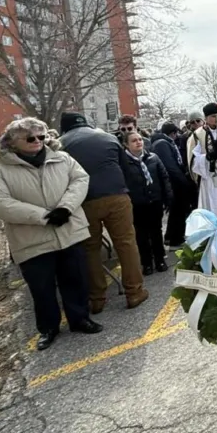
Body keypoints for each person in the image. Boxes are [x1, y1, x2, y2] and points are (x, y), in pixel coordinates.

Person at [0, 118, 103, 350]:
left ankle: (80, 319)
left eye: (41, 136)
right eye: (30, 138)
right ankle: (48, 328)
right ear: (12, 142)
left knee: (75, 279)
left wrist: (66, 207)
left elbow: (80, 180)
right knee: (41, 288)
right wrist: (42, 216)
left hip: (69, 230)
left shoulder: (61, 158)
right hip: (31, 239)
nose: (38, 141)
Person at [59, 112, 148, 312]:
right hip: (117, 195)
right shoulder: (107, 137)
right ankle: (135, 292)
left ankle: (97, 298)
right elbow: (126, 169)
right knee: (126, 243)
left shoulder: (60, 144)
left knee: (90, 248)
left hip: (84, 200)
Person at [121, 131, 173, 276]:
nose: (138, 142)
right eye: (134, 141)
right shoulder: (124, 162)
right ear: (126, 144)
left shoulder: (152, 157)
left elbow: (164, 177)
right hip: (137, 203)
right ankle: (147, 262)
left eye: (140, 139)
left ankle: (160, 259)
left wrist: (167, 197)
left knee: (156, 231)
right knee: (141, 234)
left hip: (154, 200)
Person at [150, 122, 196, 247]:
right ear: (173, 133)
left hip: (174, 183)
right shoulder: (163, 144)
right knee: (178, 211)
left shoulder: (163, 143)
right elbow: (170, 166)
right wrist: (183, 181)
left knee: (177, 211)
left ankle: (171, 236)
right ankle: (175, 238)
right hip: (174, 184)